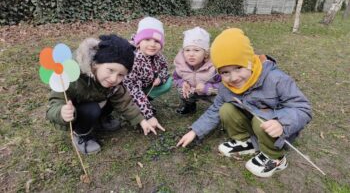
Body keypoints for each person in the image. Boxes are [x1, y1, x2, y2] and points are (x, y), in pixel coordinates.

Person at [177, 28, 312, 178]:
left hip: (278, 131)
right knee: (225, 109)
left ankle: (276, 157)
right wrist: (195, 131)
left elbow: (303, 108)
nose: (233, 77)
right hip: (254, 123)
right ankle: (246, 141)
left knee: (262, 118)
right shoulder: (226, 87)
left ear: (249, 62)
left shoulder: (276, 79)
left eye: (238, 68)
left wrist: (282, 123)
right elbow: (214, 110)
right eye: (225, 72)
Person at [47, 34, 157, 155]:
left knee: (115, 97)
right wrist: (62, 112)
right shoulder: (71, 76)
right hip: (76, 112)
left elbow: (124, 102)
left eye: (121, 75)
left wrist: (141, 120)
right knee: (91, 109)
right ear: (96, 64)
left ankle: (101, 120)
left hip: (96, 99)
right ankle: (81, 134)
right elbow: (54, 105)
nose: (114, 78)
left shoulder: (113, 83)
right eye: (110, 70)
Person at [123, 17, 172, 131]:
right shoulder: (133, 60)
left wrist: (160, 78)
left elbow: (164, 69)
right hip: (128, 91)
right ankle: (137, 111)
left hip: (145, 85)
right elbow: (134, 90)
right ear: (139, 42)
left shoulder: (159, 56)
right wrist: (149, 115)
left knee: (168, 82)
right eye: (147, 40)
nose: (152, 44)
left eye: (156, 41)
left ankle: (146, 102)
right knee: (137, 96)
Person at [173, 27, 221, 114]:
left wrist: (207, 88)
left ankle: (217, 112)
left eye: (196, 50)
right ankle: (189, 106)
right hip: (192, 90)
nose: (191, 54)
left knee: (221, 102)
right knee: (181, 91)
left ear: (206, 53)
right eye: (187, 50)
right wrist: (183, 83)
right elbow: (176, 78)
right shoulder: (181, 66)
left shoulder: (214, 68)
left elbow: (224, 85)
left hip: (211, 93)